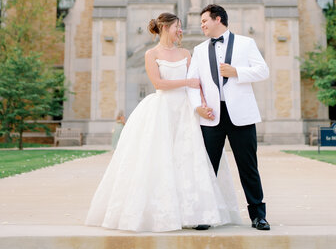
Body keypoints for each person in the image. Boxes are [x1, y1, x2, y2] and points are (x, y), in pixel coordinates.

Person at [85, 12, 240, 233]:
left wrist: (203, 104)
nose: (181, 31)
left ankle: (195, 213)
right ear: (166, 27)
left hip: (187, 111)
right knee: (160, 159)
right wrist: (187, 81)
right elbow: (159, 83)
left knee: (189, 160)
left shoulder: (187, 53)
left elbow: (199, 85)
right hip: (163, 110)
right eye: (178, 26)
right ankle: (161, 212)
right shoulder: (151, 54)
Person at [187, 3, 271, 231]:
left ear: (217, 19)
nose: (202, 25)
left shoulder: (246, 43)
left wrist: (237, 72)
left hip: (241, 117)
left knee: (248, 167)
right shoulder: (199, 50)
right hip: (211, 117)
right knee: (207, 168)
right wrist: (198, 107)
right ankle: (203, 215)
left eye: (204, 21)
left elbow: (263, 70)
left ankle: (258, 216)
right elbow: (193, 84)